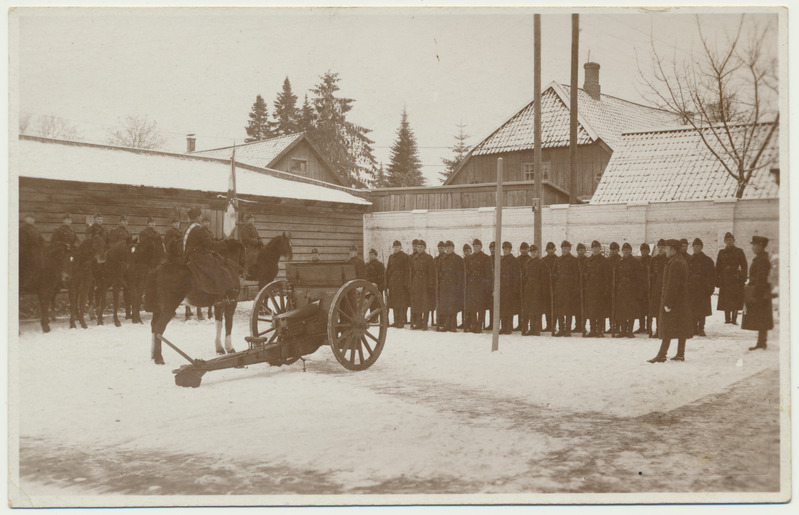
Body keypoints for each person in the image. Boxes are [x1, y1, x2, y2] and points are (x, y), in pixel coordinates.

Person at [648, 239, 693, 363]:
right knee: (680, 327)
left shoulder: (675, 263)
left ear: (673, 249)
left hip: (675, 302)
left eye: (667, 248)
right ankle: (680, 353)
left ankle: (662, 354)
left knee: (667, 327)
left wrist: (668, 303)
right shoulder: (678, 261)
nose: (666, 251)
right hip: (680, 301)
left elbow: (672, 285)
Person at [183, 207, 237, 297]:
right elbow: (211, 246)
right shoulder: (200, 229)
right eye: (200, 216)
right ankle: (220, 295)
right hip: (200, 257)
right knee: (220, 269)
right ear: (197, 217)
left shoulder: (187, 229)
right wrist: (225, 242)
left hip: (188, 257)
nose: (201, 218)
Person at [742, 236, 773, 351]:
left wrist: (756, 295)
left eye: (754, 245)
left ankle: (761, 343)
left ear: (760, 246)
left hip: (760, 291)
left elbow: (761, 279)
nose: (752, 247)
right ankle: (761, 342)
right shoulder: (760, 258)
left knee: (761, 316)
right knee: (761, 316)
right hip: (760, 291)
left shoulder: (762, 260)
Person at [716, 232, 747, 325]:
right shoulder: (721, 252)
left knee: (735, 299)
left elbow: (744, 265)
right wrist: (717, 279)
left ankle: (734, 318)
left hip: (735, 279)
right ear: (724, 241)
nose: (729, 242)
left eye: (730, 240)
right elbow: (717, 267)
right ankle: (727, 318)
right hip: (725, 279)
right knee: (726, 298)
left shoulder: (739, 251)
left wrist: (742, 277)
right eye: (727, 240)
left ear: (734, 241)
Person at [613, 242, 644, 338]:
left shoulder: (635, 262)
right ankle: (623, 330)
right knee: (622, 311)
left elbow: (639, 277)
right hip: (621, 290)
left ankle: (630, 331)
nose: (626, 252)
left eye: (628, 250)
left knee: (631, 311)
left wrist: (637, 289)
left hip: (631, 290)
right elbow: (616, 276)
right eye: (624, 250)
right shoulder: (619, 262)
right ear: (622, 251)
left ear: (631, 251)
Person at [688, 238, 716, 336]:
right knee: (692, 309)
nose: (696, 248)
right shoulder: (689, 260)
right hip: (692, 289)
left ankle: (701, 328)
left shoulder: (707, 260)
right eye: (694, 247)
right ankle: (694, 328)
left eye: (698, 247)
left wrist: (710, 288)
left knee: (702, 310)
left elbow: (712, 276)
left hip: (703, 289)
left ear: (701, 247)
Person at [552, 241, 580, 337]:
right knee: (559, 310)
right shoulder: (558, 260)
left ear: (569, 249)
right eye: (563, 248)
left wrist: (575, 289)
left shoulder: (574, 260)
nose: (564, 250)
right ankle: (561, 329)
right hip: (559, 289)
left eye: (566, 248)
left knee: (568, 310)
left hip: (569, 289)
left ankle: (568, 329)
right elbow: (554, 274)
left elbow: (577, 275)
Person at [584, 240, 610, 337]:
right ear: (591, 249)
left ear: (600, 249)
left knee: (600, 311)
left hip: (600, 290)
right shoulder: (588, 261)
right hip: (590, 290)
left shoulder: (604, 261)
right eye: (593, 248)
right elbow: (584, 275)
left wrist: (606, 290)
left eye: (597, 248)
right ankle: (592, 330)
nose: (595, 249)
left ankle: (599, 330)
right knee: (591, 311)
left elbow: (607, 277)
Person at [465, 239, 492, 333]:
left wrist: (488, 287)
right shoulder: (470, 258)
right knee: (472, 306)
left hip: (481, 286)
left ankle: (479, 325)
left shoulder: (486, 258)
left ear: (480, 247)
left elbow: (488, 274)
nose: (475, 248)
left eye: (477, 246)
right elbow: (467, 272)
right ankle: (473, 323)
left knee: (481, 307)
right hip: (472, 285)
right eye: (474, 246)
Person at [437, 241, 464, 332]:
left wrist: (459, 286)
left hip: (454, 287)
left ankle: (453, 325)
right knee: (445, 306)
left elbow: (461, 274)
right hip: (444, 286)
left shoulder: (458, 259)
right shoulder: (442, 259)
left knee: (453, 306)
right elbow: (439, 271)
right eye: (446, 248)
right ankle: (447, 325)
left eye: (449, 247)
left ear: (453, 248)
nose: (448, 249)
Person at [410, 240, 436, 330]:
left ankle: (425, 322)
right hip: (416, 283)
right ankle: (418, 322)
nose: (419, 249)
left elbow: (432, 273)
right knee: (417, 303)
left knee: (425, 303)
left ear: (424, 248)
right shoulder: (414, 258)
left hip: (425, 283)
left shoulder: (429, 258)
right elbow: (412, 272)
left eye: (421, 247)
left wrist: (431, 285)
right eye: (418, 247)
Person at [522, 244, 546, 335]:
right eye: (531, 252)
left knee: (537, 310)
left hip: (537, 289)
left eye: (534, 252)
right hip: (529, 289)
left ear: (538, 252)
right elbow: (525, 275)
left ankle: (537, 329)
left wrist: (542, 289)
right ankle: (531, 328)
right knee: (530, 309)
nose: (533, 254)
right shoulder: (528, 262)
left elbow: (544, 277)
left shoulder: (541, 263)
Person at [386, 240, 411, 328]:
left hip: (401, 284)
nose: (395, 249)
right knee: (394, 303)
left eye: (397, 247)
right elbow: (388, 269)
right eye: (394, 247)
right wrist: (387, 283)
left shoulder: (405, 257)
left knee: (401, 303)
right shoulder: (391, 257)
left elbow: (408, 271)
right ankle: (396, 321)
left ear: (400, 247)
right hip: (393, 283)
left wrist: (406, 283)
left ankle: (401, 321)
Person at [498, 241, 521, 334]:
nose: (505, 250)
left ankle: (508, 327)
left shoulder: (514, 260)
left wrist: (515, 289)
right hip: (502, 287)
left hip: (510, 288)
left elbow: (516, 276)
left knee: (509, 308)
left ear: (510, 249)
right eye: (504, 249)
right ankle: (503, 327)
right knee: (502, 308)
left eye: (507, 249)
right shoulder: (501, 260)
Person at [19, 214, 45, 292]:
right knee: (27, 269)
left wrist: (43, 245)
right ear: (25, 219)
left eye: (33, 218)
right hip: (26, 253)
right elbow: (23, 241)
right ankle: (24, 287)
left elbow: (41, 239)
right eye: (29, 218)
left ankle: (33, 286)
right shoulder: (22, 229)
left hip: (36, 253)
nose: (31, 220)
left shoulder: (35, 229)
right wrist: (34, 245)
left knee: (36, 269)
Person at [649, 239, 668, 338]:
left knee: (665, 310)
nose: (660, 250)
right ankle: (657, 330)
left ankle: (664, 330)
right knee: (656, 311)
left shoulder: (668, 259)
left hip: (665, 287)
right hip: (656, 288)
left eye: (662, 248)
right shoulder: (654, 260)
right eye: (659, 248)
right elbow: (651, 274)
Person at [239, 214, 262, 280]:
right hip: (248, 247)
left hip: (257, 247)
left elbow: (258, 237)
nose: (253, 220)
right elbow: (245, 239)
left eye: (253, 219)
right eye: (251, 219)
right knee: (252, 256)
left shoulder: (254, 229)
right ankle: (249, 274)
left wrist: (260, 241)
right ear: (247, 220)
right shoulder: (244, 229)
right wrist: (255, 241)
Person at [636, 243, 652, 334]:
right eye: (642, 250)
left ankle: (648, 326)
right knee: (641, 308)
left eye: (645, 250)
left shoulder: (651, 260)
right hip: (641, 287)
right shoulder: (639, 261)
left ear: (649, 251)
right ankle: (641, 326)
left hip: (649, 287)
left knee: (649, 308)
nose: (643, 252)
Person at [541, 242, 557, 332]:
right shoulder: (543, 260)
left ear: (555, 249)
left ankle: (553, 325)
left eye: (552, 249)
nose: (550, 251)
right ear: (546, 250)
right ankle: (548, 325)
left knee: (554, 307)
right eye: (548, 249)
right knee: (547, 307)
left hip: (555, 287)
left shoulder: (558, 259)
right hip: (546, 286)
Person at [516, 242, 532, 332]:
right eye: (522, 249)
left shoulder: (530, 259)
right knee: (519, 305)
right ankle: (520, 324)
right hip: (519, 285)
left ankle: (526, 324)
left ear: (528, 250)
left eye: (525, 249)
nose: (523, 251)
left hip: (527, 285)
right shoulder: (517, 259)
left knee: (527, 306)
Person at [607, 242, 621, 334]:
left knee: (617, 307)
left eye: (614, 249)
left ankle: (617, 326)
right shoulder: (607, 260)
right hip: (609, 286)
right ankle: (611, 325)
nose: (612, 251)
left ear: (618, 250)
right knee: (610, 307)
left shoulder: (620, 260)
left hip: (618, 287)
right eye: (611, 249)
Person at [574, 242, 587, 334]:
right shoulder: (574, 260)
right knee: (576, 308)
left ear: (585, 251)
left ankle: (583, 325)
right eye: (578, 250)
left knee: (584, 308)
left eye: (581, 250)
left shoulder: (587, 260)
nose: (580, 252)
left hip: (585, 287)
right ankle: (577, 325)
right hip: (576, 287)